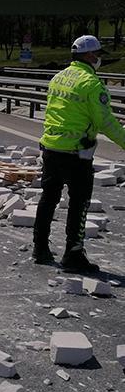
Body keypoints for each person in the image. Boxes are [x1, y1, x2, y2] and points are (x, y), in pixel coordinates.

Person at [32, 35, 125, 273]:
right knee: (79, 203)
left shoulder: (58, 77)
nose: (100, 59)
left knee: (48, 199)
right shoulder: (92, 84)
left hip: (51, 148)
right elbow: (105, 121)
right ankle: (73, 254)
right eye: (98, 55)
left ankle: (40, 248)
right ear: (89, 56)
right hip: (77, 153)